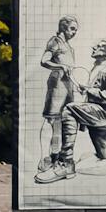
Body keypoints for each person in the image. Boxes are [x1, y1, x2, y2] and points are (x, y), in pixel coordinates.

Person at [35, 41, 106, 184]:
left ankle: (66, 163)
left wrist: (89, 90)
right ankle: (75, 162)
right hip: (98, 115)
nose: (93, 46)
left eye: (99, 46)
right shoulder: (97, 68)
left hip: (104, 114)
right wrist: (88, 90)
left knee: (69, 109)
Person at [36, 16, 80, 175]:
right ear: (63, 27)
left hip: (68, 87)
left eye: (76, 29)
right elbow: (44, 60)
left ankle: (55, 156)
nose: (74, 32)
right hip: (56, 85)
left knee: (62, 122)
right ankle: (44, 158)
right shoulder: (55, 41)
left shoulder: (69, 47)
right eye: (72, 28)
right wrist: (60, 65)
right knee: (50, 119)